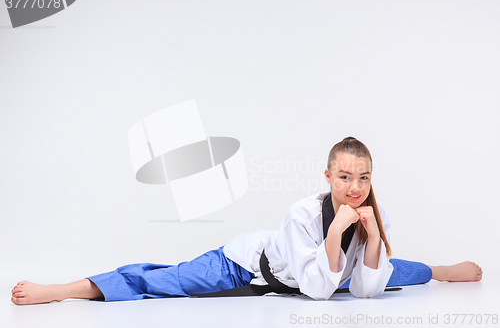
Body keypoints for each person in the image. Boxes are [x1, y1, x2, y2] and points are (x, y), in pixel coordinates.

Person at [11, 137, 483, 305]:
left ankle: (442, 270)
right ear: (328, 175)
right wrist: (337, 232)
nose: (354, 187)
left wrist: (373, 236)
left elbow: (367, 288)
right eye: (344, 176)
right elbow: (319, 292)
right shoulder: (301, 214)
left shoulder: (365, 212)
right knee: (168, 281)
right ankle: (61, 289)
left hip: (317, 275)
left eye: (363, 177)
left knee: (395, 269)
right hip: (248, 264)